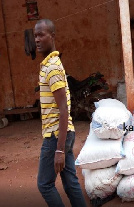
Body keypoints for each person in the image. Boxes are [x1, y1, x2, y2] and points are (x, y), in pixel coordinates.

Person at [34, 19, 86, 207]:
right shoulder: (50, 64)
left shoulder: (53, 68)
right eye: (35, 36)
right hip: (64, 133)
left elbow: (64, 109)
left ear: (52, 36)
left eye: (41, 35)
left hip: (55, 136)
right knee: (71, 183)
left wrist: (59, 148)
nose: (37, 39)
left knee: (45, 185)